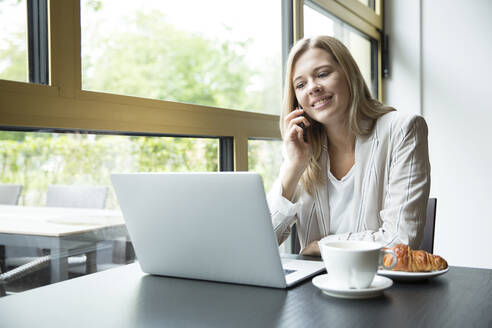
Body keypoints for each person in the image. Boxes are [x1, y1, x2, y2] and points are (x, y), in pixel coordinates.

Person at [267, 36, 430, 256]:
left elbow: (400, 242)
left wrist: (324, 245)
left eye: (322, 74)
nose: (313, 88)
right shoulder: (303, 150)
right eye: (301, 84)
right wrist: (293, 168)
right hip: (316, 286)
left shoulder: (403, 129)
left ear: (349, 74)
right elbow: (261, 244)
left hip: (382, 285)